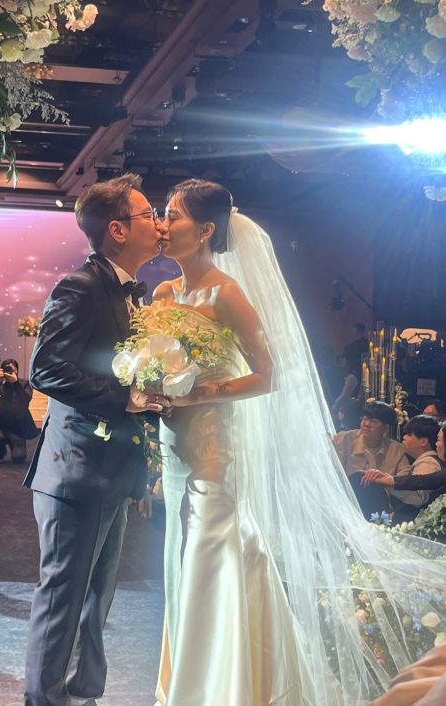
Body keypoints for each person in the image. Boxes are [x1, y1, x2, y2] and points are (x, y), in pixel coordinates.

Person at [150, 178, 446, 706]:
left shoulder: (227, 293)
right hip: (174, 444)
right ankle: (188, 681)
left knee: (211, 549)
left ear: (206, 230)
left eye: (172, 215)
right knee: (179, 552)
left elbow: (269, 375)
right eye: (163, 213)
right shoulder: (163, 294)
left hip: (215, 445)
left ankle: (222, 687)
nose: (162, 224)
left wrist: (203, 391)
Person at [23, 174, 170, 706]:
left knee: (97, 597)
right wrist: (124, 398)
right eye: (148, 214)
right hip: (77, 470)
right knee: (64, 595)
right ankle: (45, 699)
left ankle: (83, 692)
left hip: (111, 469)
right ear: (117, 230)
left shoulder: (130, 292)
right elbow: (46, 370)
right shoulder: (81, 286)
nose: (159, 224)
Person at [0, 358, 39, 464]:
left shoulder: (25, 384)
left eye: (11, 369)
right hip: (2, 426)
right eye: (6, 369)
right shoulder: (1, 384)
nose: (8, 372)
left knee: (18, 458)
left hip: (18, 427)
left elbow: (26, 399)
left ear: (17, 371)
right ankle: (1, 451)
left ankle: (14, 443)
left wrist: (16, 383)